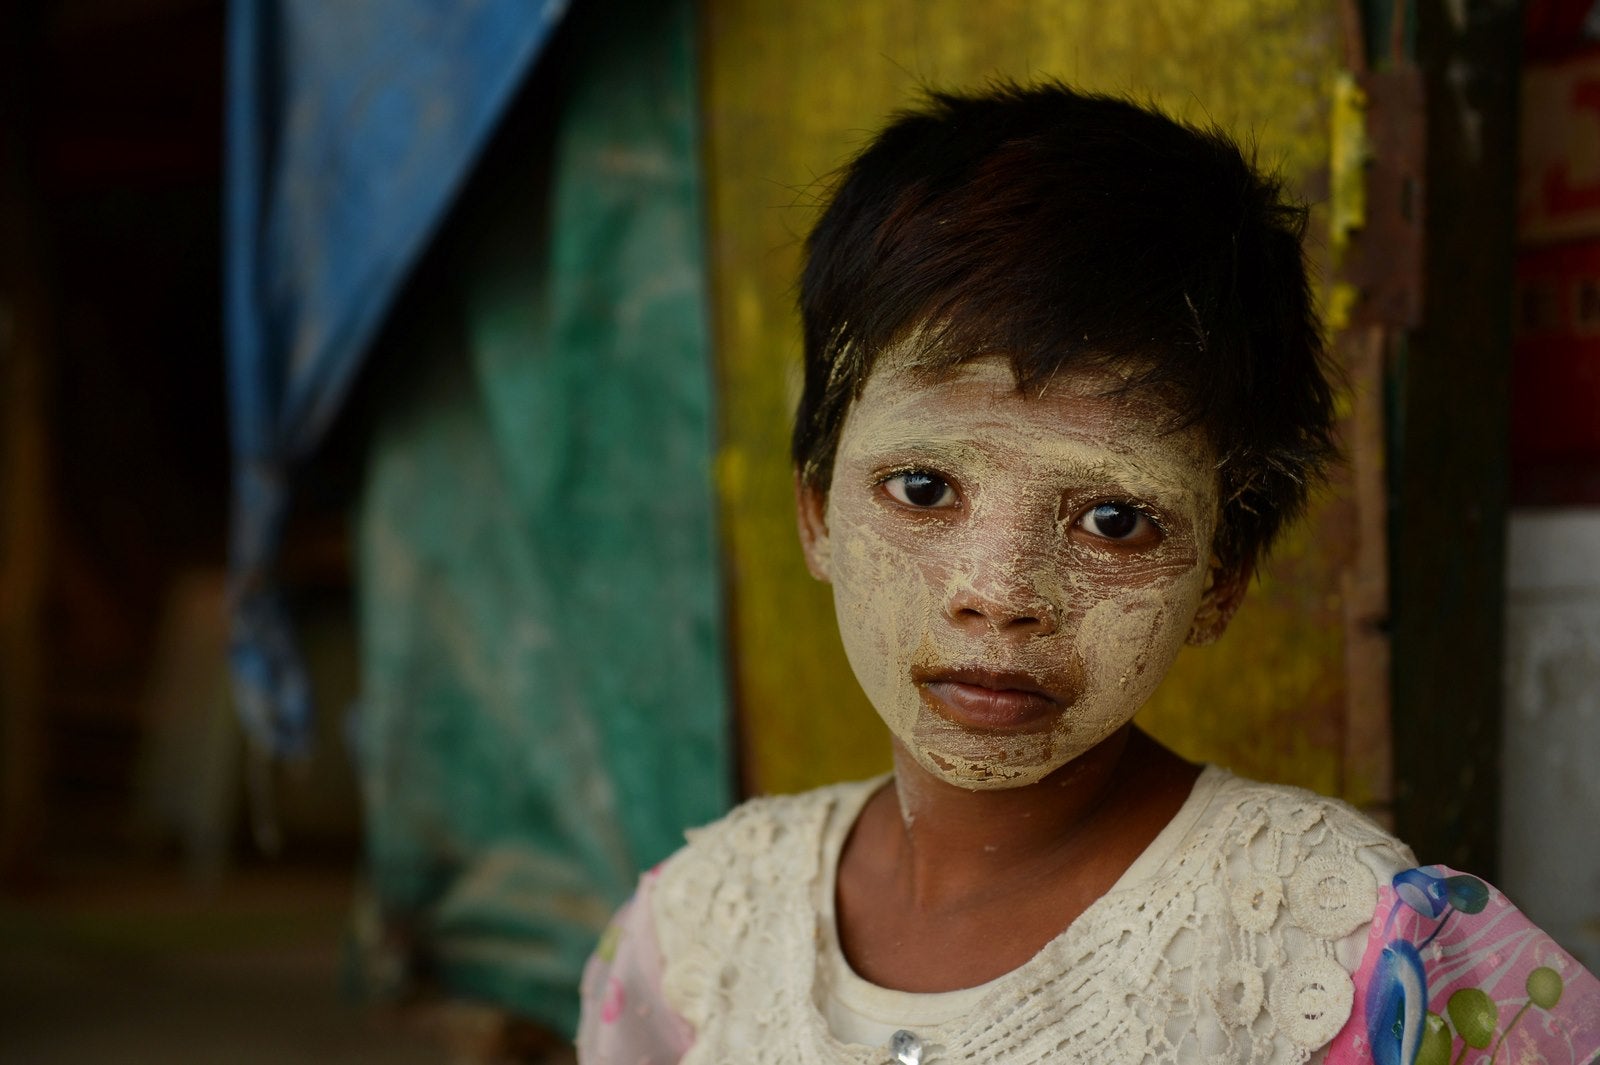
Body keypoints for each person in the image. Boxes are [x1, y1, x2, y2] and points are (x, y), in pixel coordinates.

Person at [575, 82, 1600, 1064]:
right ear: (815, 514)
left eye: (1114, 520)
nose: (1001, 592)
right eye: (922, 489)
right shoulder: (694, 935)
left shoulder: (1356, 952)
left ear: (1222, 573)